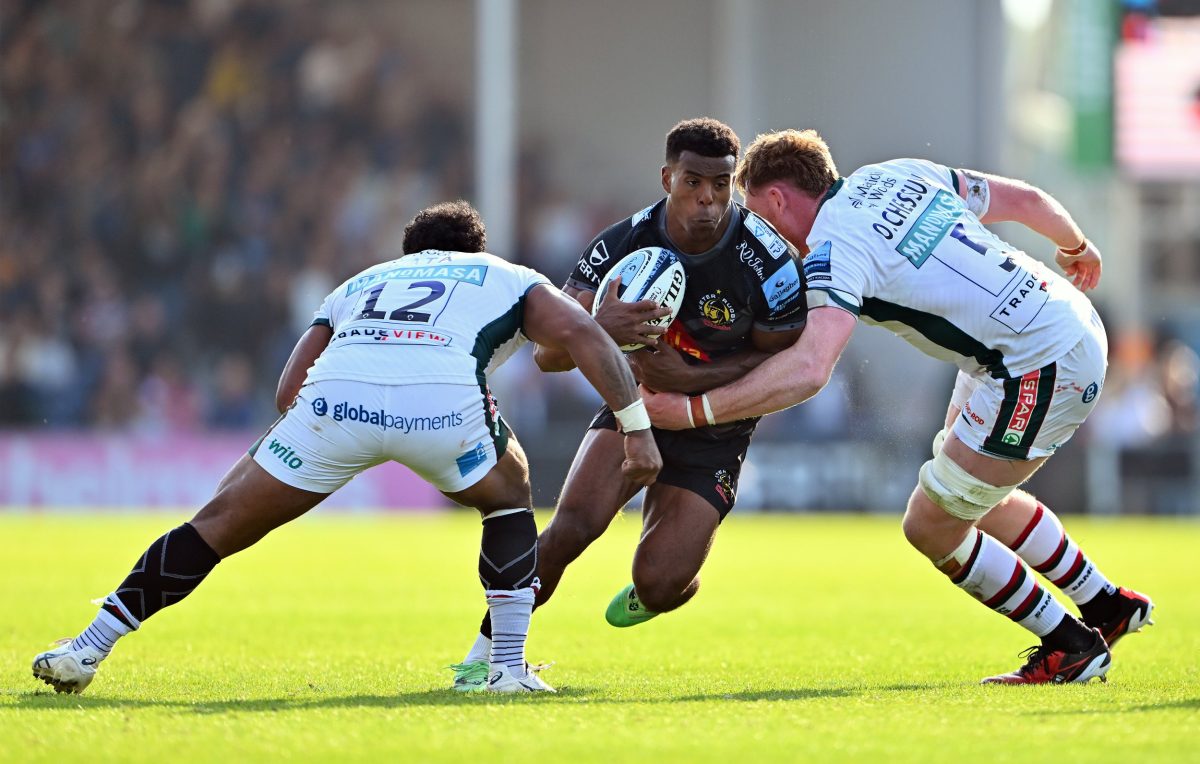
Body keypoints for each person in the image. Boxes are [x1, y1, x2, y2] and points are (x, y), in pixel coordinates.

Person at [31, 201, 661, 695]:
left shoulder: (361, 281)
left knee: (217, 522)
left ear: (408, 254)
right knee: (509, 494)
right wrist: (635, 428)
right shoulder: (506, 276)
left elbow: (287, 390)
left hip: (335, 405)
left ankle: (87, 647)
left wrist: (328, 431)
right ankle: (504, 669)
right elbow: (579, 333)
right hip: (441, 405)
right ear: (476, 250)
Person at [641, 129, 1154, 685]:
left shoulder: (833, 251)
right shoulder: (899, 172)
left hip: (1038, 362)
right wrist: (1077, 246)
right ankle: (1106, 604)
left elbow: (811, 369)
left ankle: (1073, 646)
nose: (763, 233)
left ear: (778, 199)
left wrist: (694, 412)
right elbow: (1026, 201)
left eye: (758, 215)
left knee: (930, 524)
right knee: (965, 494)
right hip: (1061, 319)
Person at [449, 118, 807, 691]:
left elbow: (785, 362)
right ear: (667, 177)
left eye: (721, 185)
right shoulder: (620, 243)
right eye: (692, 183)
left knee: (661, 582)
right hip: (634, 410)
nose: (708, 199)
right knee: (571, 528)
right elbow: (545, 356)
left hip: (718, 429)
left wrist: (695, 376)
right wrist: (597, 327)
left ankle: (669, 576)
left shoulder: (769, 262)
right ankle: (484, 656)